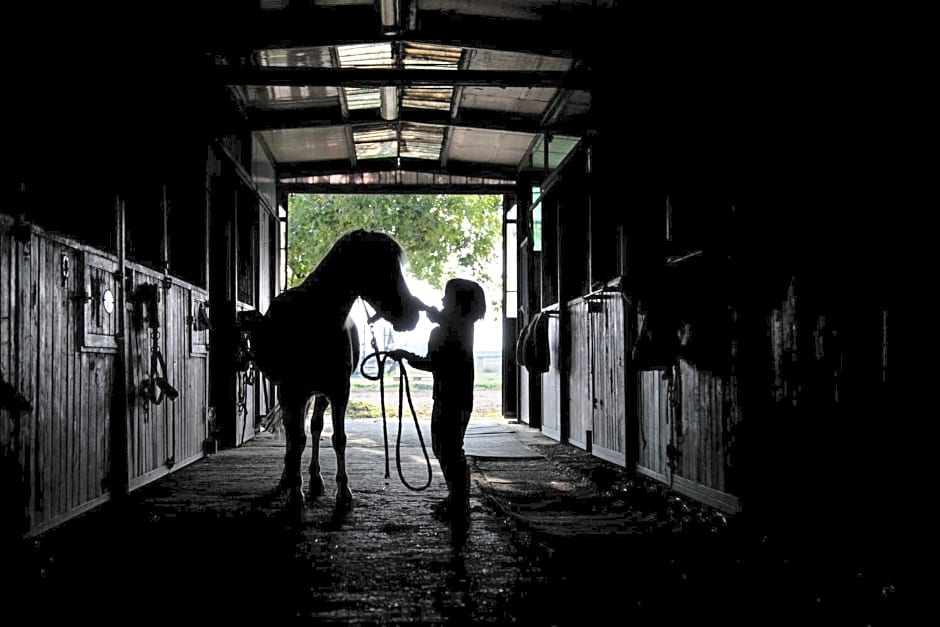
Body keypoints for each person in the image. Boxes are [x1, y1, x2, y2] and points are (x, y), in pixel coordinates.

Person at [390, 278, 486, 531]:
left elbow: (431, 362)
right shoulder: (464, 327)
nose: (442, 301)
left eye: (447, 297)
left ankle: (459, 503)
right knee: (450, 448)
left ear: (457, 303)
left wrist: (406, 356)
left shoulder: (450, 329)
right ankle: (457, 500)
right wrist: (428, 311)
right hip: (459, 396)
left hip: (448, 397)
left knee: (448, 449)